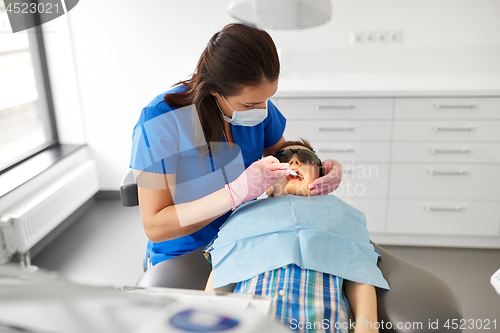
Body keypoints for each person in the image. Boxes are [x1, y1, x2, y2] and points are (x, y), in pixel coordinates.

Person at [129, 23, 343, 270]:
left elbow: (284, 158)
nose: (262, 111)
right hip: (185, 252)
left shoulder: (256, 107)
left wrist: (318, 170)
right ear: (214, 91)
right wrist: (234, 194)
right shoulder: (160, 120)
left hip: (245, 235)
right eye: (250, 105)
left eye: (267, 99)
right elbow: (155, 226)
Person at [203, 139, 389, 333]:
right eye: (282, 159)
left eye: (306, 157)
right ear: (267, 185)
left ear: (321, 177)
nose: (293, 163)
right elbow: (220, 277)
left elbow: (361, 277)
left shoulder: (342, 216)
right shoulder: (242, 216)